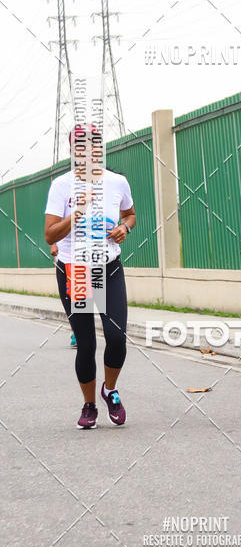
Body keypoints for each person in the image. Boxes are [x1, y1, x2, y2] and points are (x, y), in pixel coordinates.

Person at [44, 124, 136, 429]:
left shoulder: (118, 182)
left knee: (116, 337)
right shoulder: (61, 186)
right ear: (73, 151)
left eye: (94, 144)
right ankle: (89, 405)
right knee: (86, 344)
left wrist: (125, 228)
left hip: (108, 268)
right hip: (76, 271)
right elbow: (50, 235)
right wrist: (76, 214)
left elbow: (130, 214)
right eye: (80, 146)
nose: (88, 151)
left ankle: (110, 389)